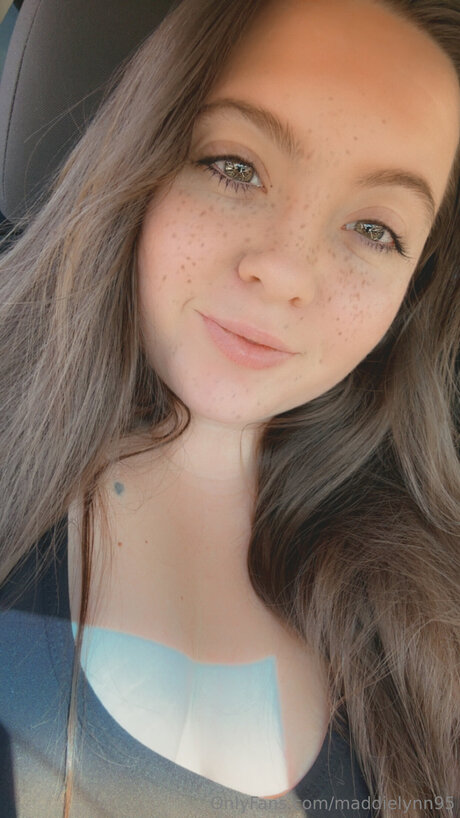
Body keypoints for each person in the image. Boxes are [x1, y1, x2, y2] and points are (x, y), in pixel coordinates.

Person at [0, 0, 459, 816]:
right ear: (143, 152)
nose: (286, 271)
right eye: (235, 167)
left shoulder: (433, 600)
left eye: (374, 229)